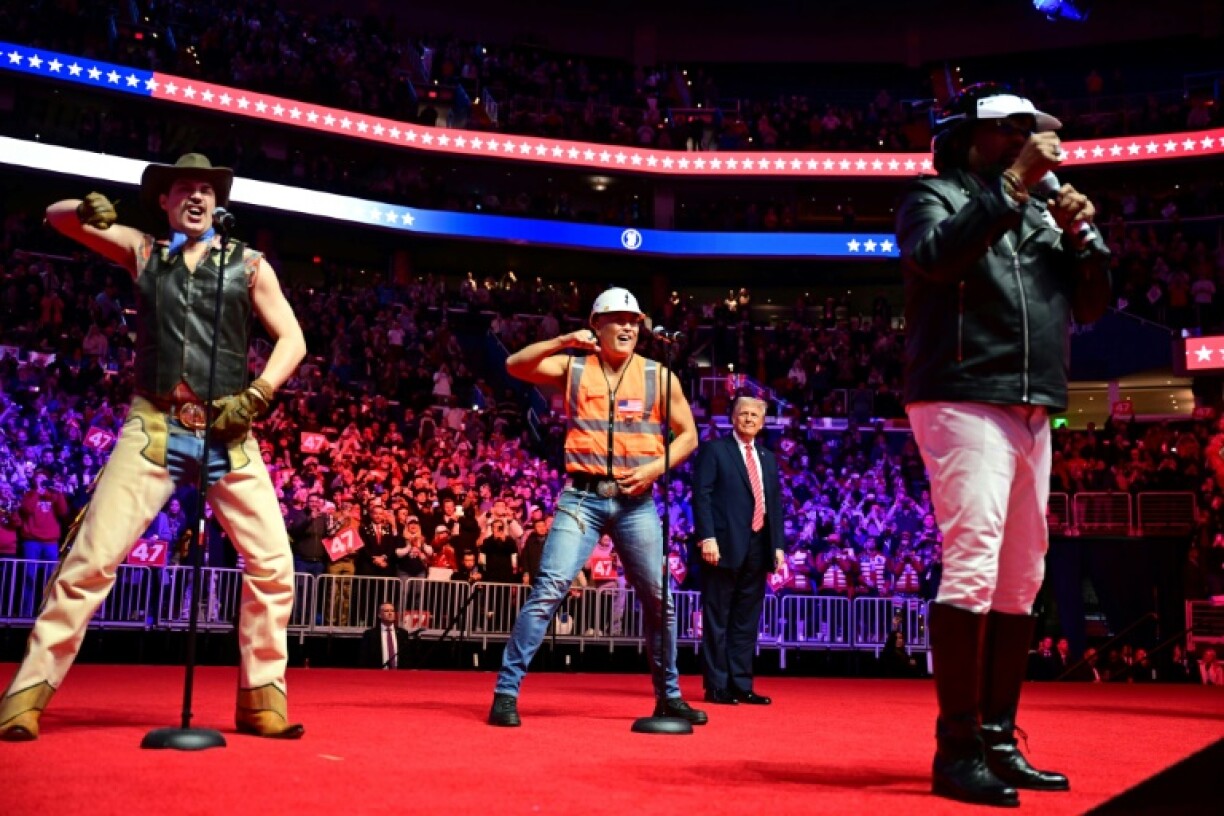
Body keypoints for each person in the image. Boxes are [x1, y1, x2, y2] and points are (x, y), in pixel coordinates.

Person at [0, 154, 308, 740]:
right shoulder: (143, 250)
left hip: (231, 432)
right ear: (164, 203)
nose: (196, 196)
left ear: (218, 203)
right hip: (154, 426)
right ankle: (26, 694)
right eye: (183, 189)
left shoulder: (248, 264)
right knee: (91, 559)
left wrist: (260, 392)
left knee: (274, 564)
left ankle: (261, 698)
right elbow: (58, 217)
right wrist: (82, 207)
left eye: (206, 189)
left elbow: (293, 337)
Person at [897, 84, 1110, 804]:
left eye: (1033, 132)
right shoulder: (934, 195)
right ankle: (955, 750)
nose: (1025, 141)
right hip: (961, 393)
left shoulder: (1040, 217)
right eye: (1010, 131)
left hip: (1033, 406)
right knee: (975, 565)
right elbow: (935, 259)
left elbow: (1090, 305)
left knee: (1022, 578)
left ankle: (996, 737)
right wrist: (1014, 189)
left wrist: (1086, 236)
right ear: (968, 139)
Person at [488, 287, 705, 728]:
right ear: (596, 326)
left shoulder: (659, 376)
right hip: (582, 498)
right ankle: (505, 694)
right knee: (548, 589)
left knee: (660, 600)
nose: (628, 326)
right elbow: (514, 365)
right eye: (618, 319)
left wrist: (654, 469)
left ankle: (670, 697)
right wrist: (562, 341)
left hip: (638, 501)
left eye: (633, 320)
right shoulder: (573, 367)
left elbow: (689, 435)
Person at [692, 393, 784, 705]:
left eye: (754, 416)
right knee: (717, 618)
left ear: (762, 422)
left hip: (759, 546)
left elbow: (774, 504)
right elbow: (701, 495)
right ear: (732, 418)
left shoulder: (768, 458)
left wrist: (778, 545)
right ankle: (716, 685)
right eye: (743, 414)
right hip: (722, 545)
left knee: (746, 619)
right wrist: (707, 537)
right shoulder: (715, 451)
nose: (748, 419)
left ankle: (741, 684)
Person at [360, 602, 411, 670]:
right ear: (379, 615)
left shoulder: (402, 633)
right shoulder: (370, 634)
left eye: (392, 611)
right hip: (377, 674)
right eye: (386, 611)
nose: (390, 613)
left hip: (399, 674)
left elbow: (407, 657)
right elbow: (364, 657)